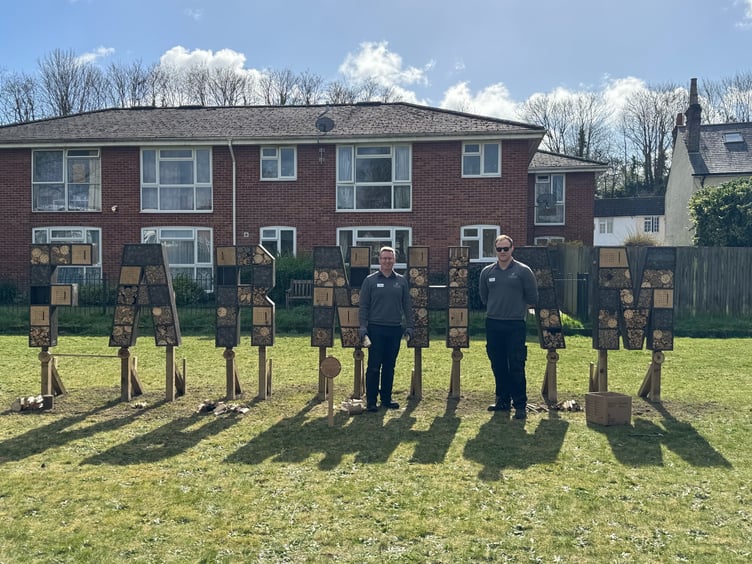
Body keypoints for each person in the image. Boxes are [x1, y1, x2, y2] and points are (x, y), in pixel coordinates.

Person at [479, 235, 538, 419]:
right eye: (499, 249)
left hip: (515, 324)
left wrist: (517, 309)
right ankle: (502, 401)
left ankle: (520, 404)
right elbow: (484, 297)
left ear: (512, 249)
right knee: (497, 364)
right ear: (495, 251)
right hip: (493, 323)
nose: (502, 252)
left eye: (506, 248)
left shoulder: (523, 271)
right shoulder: (487, 272)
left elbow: (533, 298)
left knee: (516, 364)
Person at [358, 246, 414, 412]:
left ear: (394, 260)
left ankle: (386, 399)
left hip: (395, 329)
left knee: (390, 366)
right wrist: (363, 326)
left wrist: (410, 325)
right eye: (384, 258)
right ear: (379, 260)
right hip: (375, 329)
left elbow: (407, 306)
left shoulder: (401, 281)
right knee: (374, 366)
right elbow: (363, 306)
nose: (387, 261)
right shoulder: (370, 280)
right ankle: (371, 401)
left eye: (390, 258)